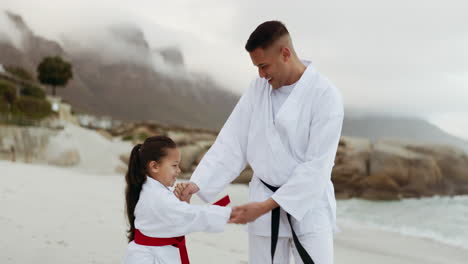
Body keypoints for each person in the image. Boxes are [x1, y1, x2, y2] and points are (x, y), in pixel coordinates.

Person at [175, 21, 344, 264]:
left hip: (309, 207)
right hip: (263, 199)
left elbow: (317, 167)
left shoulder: (326, 96)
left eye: (264, 66)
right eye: (257, 67)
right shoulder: (257, 90)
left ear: (285, 54)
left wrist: (266, 206)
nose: (261, 75)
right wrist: (197, 184)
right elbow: (233, 142)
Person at [124, 135, 232, 264]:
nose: (179, 171)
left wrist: (183, 202)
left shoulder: (150, 188)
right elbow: (189, 216)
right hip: (151, 257)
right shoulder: (159, 196)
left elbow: (175, 216)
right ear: (154, 166)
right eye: (174, 165)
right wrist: (230, 213)